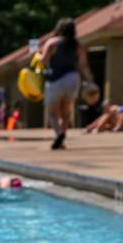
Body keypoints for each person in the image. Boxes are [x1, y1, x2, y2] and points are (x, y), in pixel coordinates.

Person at [40, 18, 94, 150]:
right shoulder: (77, 45)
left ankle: (59, 134)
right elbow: (84, 65)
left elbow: (43, 60)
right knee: (66, 111)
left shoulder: (52, 43)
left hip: (56, 79)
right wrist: (91, 81)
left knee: (52, 112)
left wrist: (38, 55)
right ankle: (63, 135)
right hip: (73, 78)